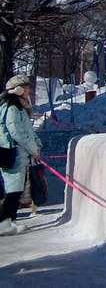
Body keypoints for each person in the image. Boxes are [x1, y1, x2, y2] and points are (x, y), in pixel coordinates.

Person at [0, 75, 41, 236]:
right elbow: (17, 132)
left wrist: (37, 145)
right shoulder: (11, 108)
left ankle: (9, 219)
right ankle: (4, 221)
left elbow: (28, 131)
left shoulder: (18, 107)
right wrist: (33, 149)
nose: (29, 90)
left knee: (17, 187)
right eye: (26, 87)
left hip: (20, 153)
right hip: (14, 153)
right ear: (18, 89)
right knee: (14, 189)